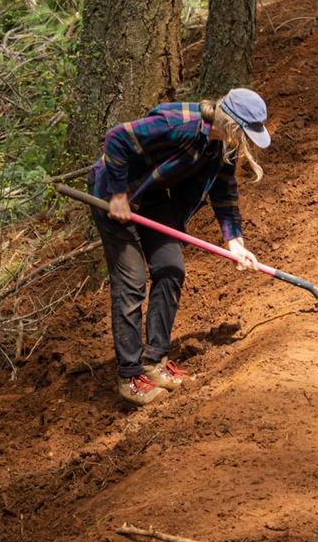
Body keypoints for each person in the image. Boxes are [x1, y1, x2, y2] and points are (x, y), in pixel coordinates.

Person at [90, 88, 271, 405]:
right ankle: (130, 377)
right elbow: (117, 138)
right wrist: (117, 196)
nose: (246, 142)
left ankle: (154, 362)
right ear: (231, 124)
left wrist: (235, 242)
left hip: (152, 194)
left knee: (171, 268)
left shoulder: (224, 145)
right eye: (246, 133)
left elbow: (224, 191)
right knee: (132, 282)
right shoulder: (178, 123)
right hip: (114, 192)